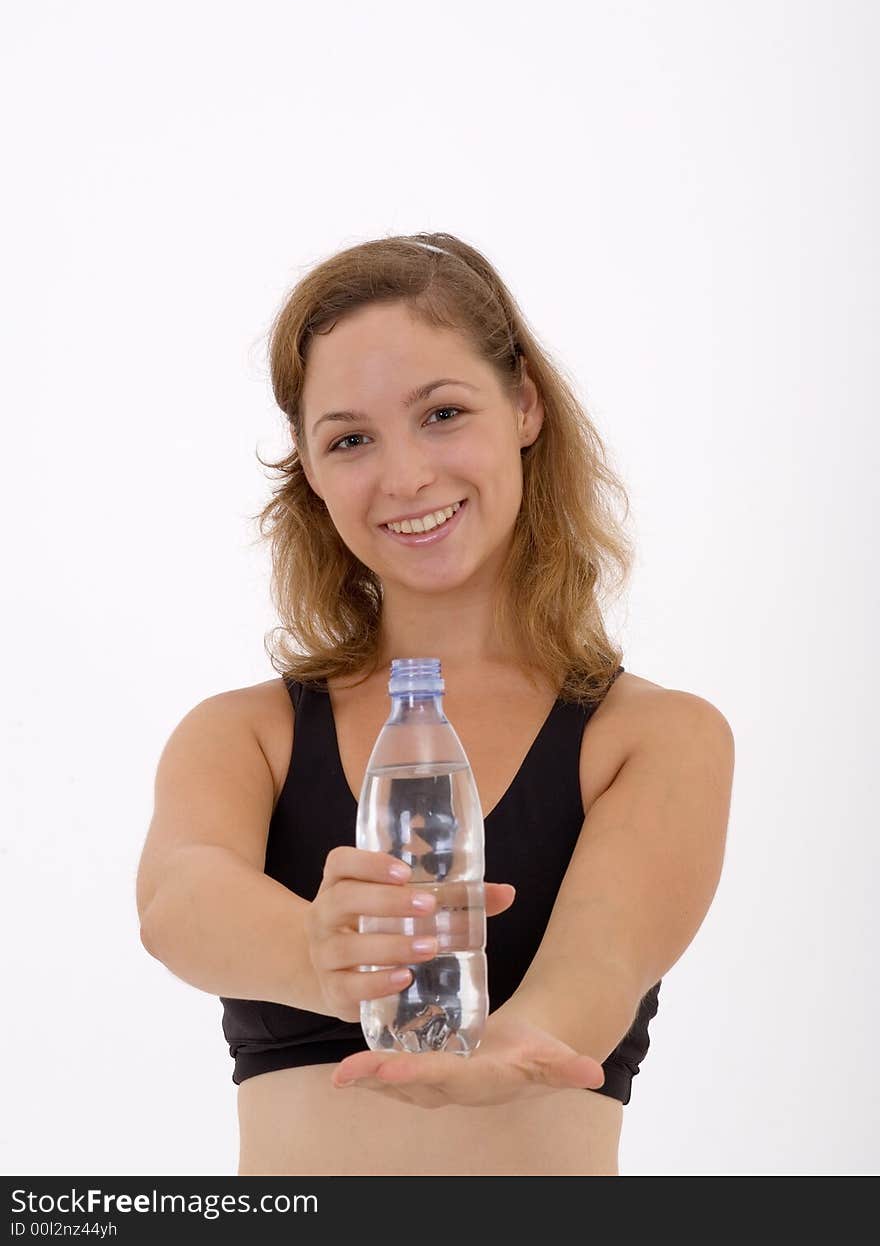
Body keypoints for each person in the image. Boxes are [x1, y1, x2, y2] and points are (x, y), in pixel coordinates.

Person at [136, 232, 735, 1176]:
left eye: (443, 413)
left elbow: (599, 968)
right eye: (350, 439)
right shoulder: (242, 735)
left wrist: (516, 1045)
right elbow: (178, 902)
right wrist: (318, 949)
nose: (406, 475)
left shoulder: (654, 738)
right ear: (310, 467)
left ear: (525, 404)